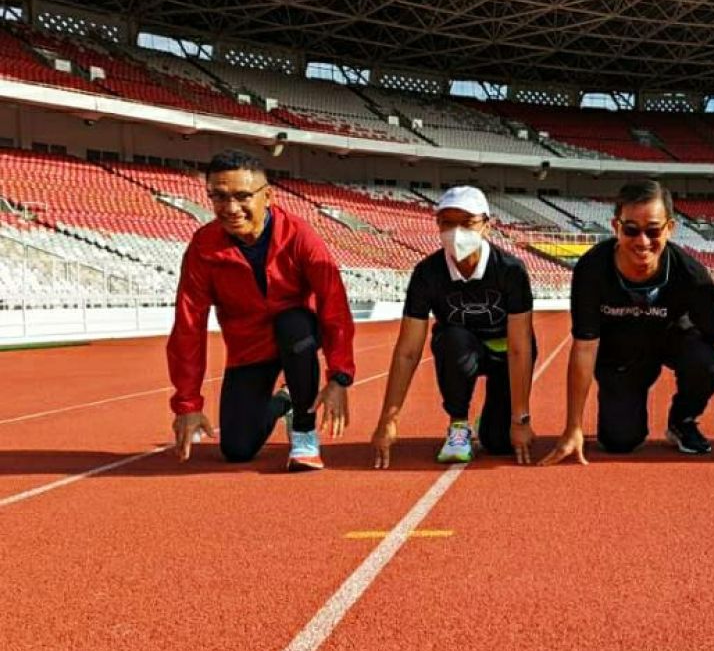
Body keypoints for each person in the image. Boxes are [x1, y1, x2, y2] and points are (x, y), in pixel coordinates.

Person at [541, 180, 714, 465]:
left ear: (669, 228)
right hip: (621, 353)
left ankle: (682, 420)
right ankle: (623, 405)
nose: (642, 241)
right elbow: (585, 348)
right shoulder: (592, 270)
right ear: (616, 227)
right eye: (631, 230)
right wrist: (573, 426)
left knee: (706, 361)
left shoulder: (691, 275)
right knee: (619, 442)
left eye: (653, 230)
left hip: (673, 339)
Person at [167, 149, 355, 471]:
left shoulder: (299, 236)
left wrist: (339, 376)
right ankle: (285, 401)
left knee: (292, 323)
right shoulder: (203, 247)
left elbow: (334, 303)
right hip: (249, 349)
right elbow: (188, 325)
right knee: (237, 449)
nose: (230, 208)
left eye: (242, 196)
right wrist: (187, 403)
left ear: (267, 196)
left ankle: (304, 432)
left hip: (299, 336)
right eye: (219, 197)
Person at [370, 186, 537, 467]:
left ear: (487, 226)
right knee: (452, 338)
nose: (456, 231)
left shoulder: (510, 270)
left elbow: (521, 347)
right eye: (447, 222)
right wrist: (388, 419)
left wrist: (521, 418)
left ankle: (495, 416)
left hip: (505, 352)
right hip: (459, 350)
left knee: (499, 444)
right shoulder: (427, 273)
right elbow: (408, 351)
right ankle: (458, 425)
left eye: (467, 222)